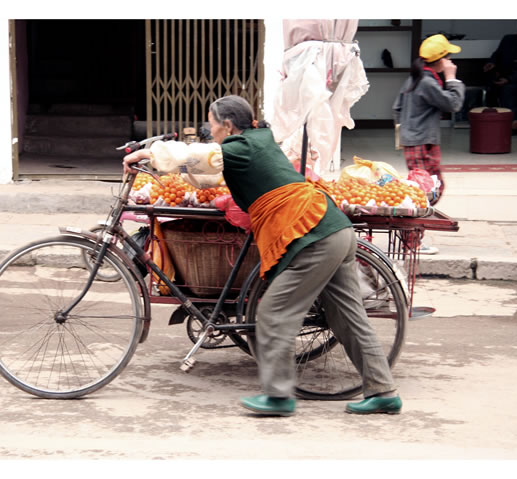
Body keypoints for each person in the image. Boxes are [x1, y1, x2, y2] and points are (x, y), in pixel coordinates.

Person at [124, 95, 402, 417]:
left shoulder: (240, 146)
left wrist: (149, 153)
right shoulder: (256, 141)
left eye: (212, 125)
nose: (210, 131)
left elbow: (204, 155)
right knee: (348, 317)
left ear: (227, 125)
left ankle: (279, 396)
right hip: (334, 229)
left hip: (312, 233)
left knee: (273, 312)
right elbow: (208, 168)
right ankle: (383, 392)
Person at [393, 34, 465, 254]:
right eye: (448, 58)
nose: (450, 62)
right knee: (427, 191)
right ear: (441, 60)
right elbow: (453, 103)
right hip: (422, 143)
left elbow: (397, 108)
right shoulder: (427, 81)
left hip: (415, 141)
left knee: (426, 189)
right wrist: (452, 78)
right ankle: (412, 239)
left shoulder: (416, 79)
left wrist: (406, 130)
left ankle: (412, 235)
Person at [483, 20, 517, 133]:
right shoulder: (508, 40)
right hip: (505, 75)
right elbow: (497, 54)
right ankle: (505, 122)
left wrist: (509, 79)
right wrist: (492, 62)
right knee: (497, 89)